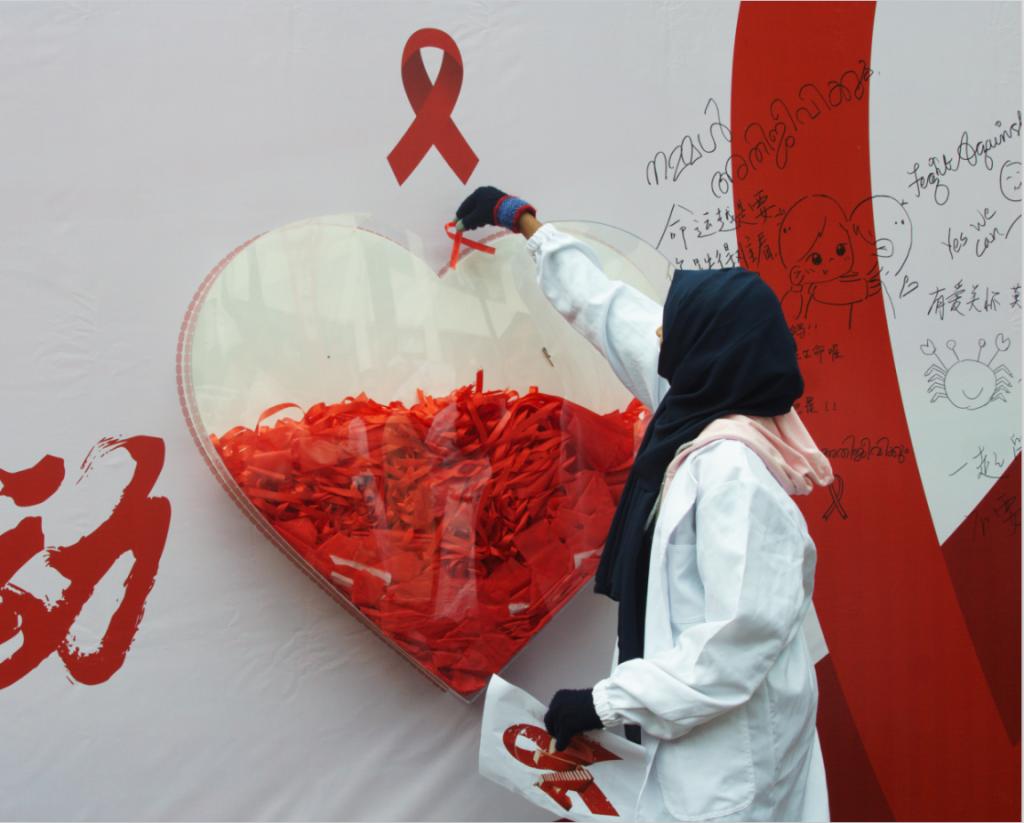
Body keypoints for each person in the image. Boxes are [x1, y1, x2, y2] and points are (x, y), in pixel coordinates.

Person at [455, 186, 835, 822]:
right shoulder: (699, 401)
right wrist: (525, 224)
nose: (661, 335)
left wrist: (606, 702)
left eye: (675, 329)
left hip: (731, 762)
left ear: (708, 349)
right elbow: (614, 314)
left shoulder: (734, 473)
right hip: (692, 734)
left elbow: (740, 637)